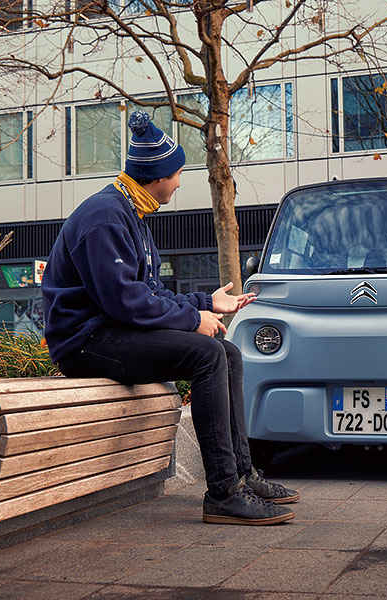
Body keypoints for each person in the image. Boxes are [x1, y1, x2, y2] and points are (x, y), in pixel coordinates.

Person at [42, 111, 298, 526]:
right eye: (177, 173)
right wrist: (192, 320)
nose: (180, 182)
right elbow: (125, 301)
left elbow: (148, 293)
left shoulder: (132, 214)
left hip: (112, 331)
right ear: (157, 174)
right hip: (85, 341)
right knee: (208, 355)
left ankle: (242, 476)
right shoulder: (105, 216)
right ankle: (223, 494)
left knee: (226, 352)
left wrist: (207, 303)